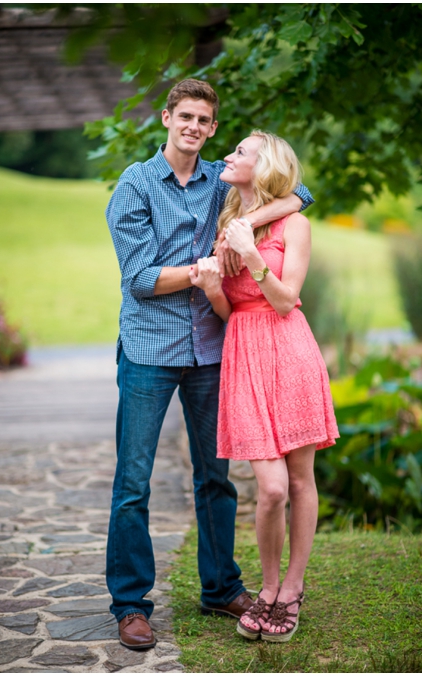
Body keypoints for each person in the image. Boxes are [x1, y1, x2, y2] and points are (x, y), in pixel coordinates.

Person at [104, 78, 315, 651]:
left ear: (213, 128)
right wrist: (205, 266)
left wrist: (241, 234)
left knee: (215, 478)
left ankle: (221, 588)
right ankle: (130, 603)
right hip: (149, 349)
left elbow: (302, 196)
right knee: (133, 482)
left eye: (204, 120)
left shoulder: (218, 181)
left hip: (213, 349)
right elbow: (142, 279)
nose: (193, 127)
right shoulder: (135, 184)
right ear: (167, 118)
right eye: (185, 117)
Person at [189, 130, 338, 642]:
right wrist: (213, 289)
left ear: (265, 164)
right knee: (270, 489)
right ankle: (266, 586)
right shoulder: (227, 224)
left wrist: (251, 253)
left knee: (299, 480)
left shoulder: (296, 225)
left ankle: (289, 591)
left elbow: (284, 301)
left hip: (291, 351)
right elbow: (234, 312)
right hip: (245, 355)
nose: (227, 157)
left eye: (240, 153)